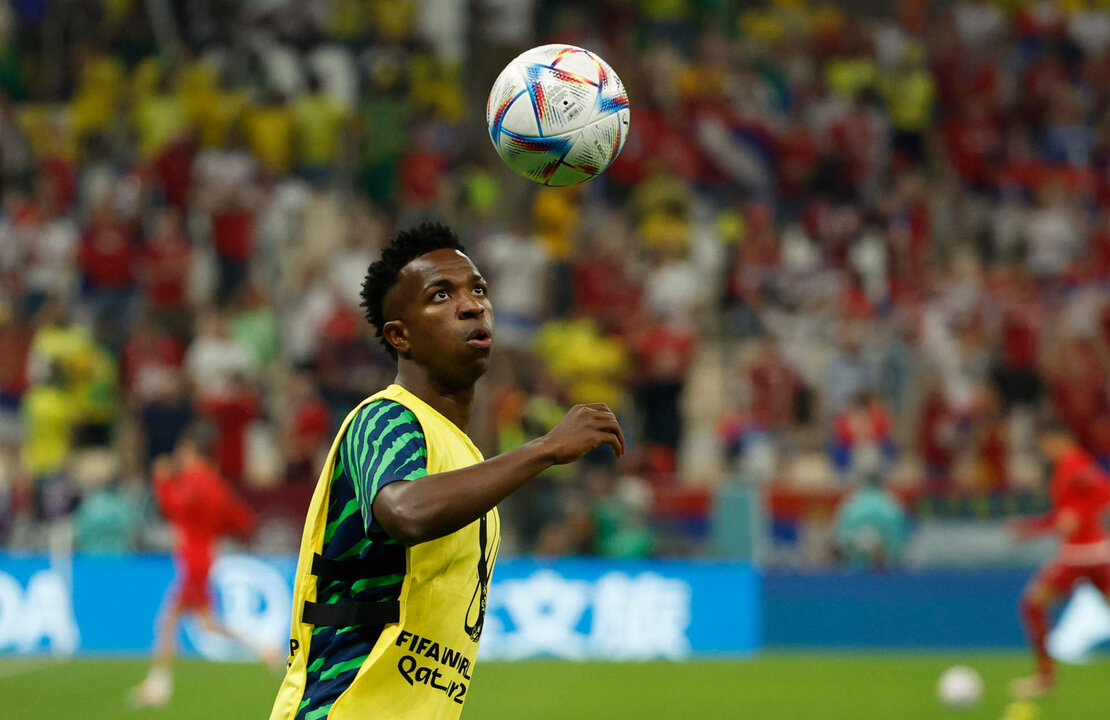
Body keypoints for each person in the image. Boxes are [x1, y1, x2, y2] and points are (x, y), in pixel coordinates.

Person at [270, 223, 624, 720]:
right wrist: (544, 449)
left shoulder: (463, 456)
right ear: (400, 335)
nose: (472, 304)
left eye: (478, 289)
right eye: (442, 294)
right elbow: (404, 511)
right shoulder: (386, 417)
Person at [130, 422, 269, 708]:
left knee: (168, 621)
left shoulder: (196, 479)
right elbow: (241, 519)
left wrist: (162, 480)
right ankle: (263, 648)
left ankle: (158, 686)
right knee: (206, 624)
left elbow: (173, 507)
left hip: (193, 560)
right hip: (203, 556)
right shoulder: (215, 481)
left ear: (191, 450)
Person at [1008, 420, 1110, 700]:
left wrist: (1032, 529)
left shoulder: (1073, 468)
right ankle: (1044, 678)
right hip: (1097, 553)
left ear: (1058, 439)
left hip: (1081, 556)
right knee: (1034, 605)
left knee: (1033, 605)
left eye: (1045, 443)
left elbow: (1075, 515)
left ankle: (1044, 678)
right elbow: (1096, 498)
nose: (1044, 450)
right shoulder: (1076, 466)